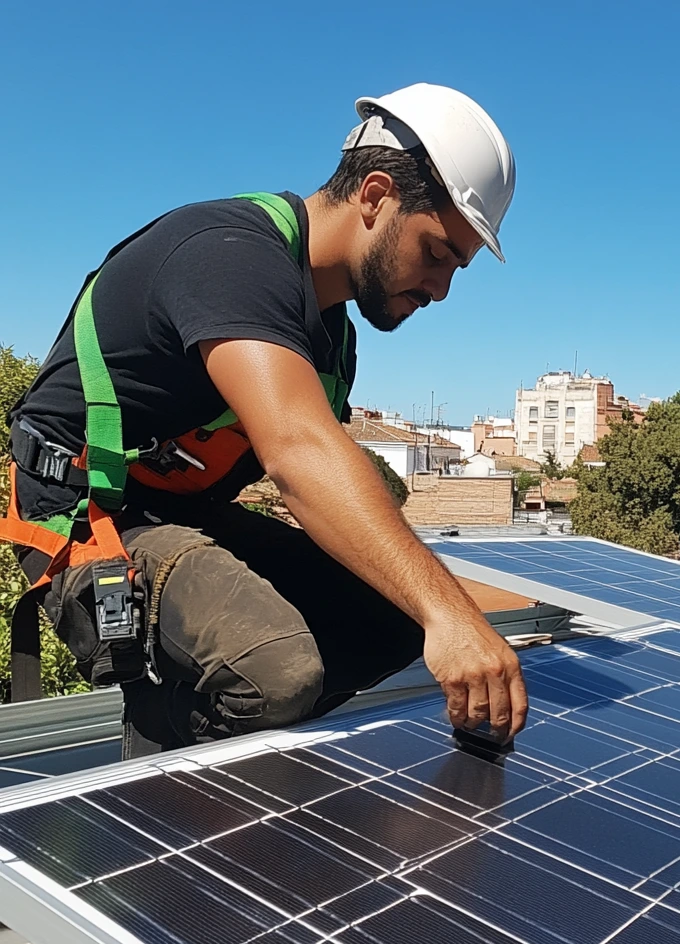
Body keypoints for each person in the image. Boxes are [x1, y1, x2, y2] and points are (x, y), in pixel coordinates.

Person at [3, 83, 528, 758]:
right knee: (275, 670)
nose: (440, 289)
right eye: (435, 253)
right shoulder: (228, 256)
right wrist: (450, 613)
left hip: (173, 510)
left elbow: (323, 487)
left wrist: (436, 610)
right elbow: (299, 455)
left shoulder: (333, 339)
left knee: (395, 620)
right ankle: (155, 777)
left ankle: (243, 754)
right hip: (86, 513)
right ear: (373, 196)